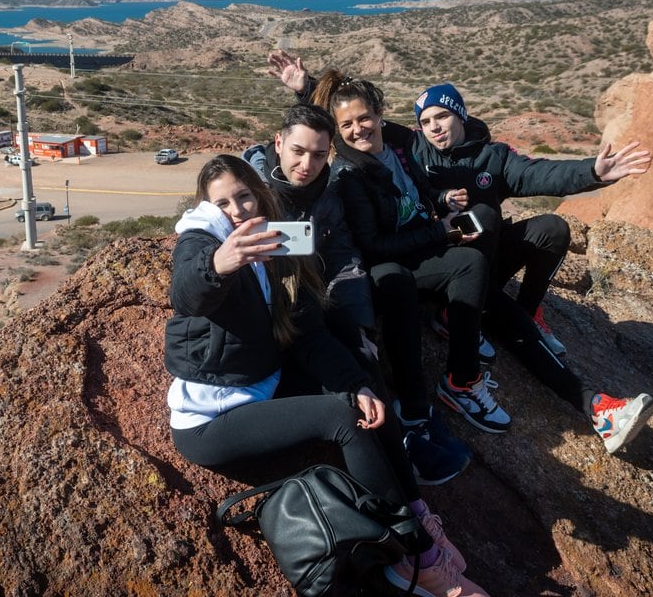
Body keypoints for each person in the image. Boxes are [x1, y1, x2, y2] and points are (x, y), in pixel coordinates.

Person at [165, 154, 487, 597]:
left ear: (259, 194)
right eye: (222, 203)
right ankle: (416, 559)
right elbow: (186, 293)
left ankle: (416, 512)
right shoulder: (201, 242)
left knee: (363, 380)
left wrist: (355, 384)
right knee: (340, 417)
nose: (237, 210)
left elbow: (308, 336)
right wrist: (218, 263)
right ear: (205, 209)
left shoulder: (277, 245)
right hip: (211, 420)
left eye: (243, 196)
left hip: (265, 383)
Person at [271, 53, 510, 436]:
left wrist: (441, 199)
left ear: (381, 115)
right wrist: (441, 232)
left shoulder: (398, 146)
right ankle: (447, 388)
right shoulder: (348, 176)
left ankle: (465, 340)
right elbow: (371, 245)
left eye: (366, 118)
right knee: (413, 276)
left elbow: (346, 104)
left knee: (483, 229)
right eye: (346, 126)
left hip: (416, 240)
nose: (358, 129)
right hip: (386, 259)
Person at [410, 83, 653, 453]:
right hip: (447, 268)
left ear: (459, 114)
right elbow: (359, 124)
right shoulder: (412, 149)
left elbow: (540, 174)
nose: (434, 127)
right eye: (426, 120)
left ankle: (526, 310)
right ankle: (596, 406)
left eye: (441, 116)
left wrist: (593, 172)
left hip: (483, 266)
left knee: (552, 229)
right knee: (484, 218)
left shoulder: (492, 156)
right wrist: (307, 89)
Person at [243, 104, 472, 485]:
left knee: (361, 338)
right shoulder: (252, 190)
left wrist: (357, 317)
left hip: (312, 294)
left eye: (318, 155)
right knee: (334, 349)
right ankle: (399, 449)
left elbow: (343, 255)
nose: (307, 164)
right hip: (269, 304)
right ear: (279, 143)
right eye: (298, 151)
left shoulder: (326, 192)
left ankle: (405, 428)